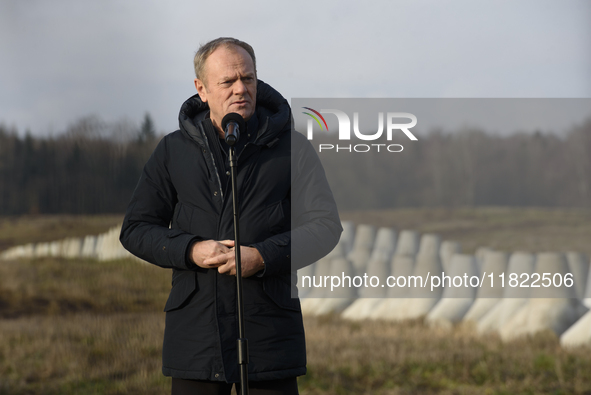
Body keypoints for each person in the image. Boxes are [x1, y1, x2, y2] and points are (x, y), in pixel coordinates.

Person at [120, 37, 342, 395]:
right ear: (202, 89)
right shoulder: (171, 151)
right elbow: (136, 229)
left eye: (248, 79)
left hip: (269, 336)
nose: (241, 89)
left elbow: (325, 226)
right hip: (197, 339)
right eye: (228, 82)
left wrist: (264, 257)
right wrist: (191, 250)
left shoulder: (292, 148)